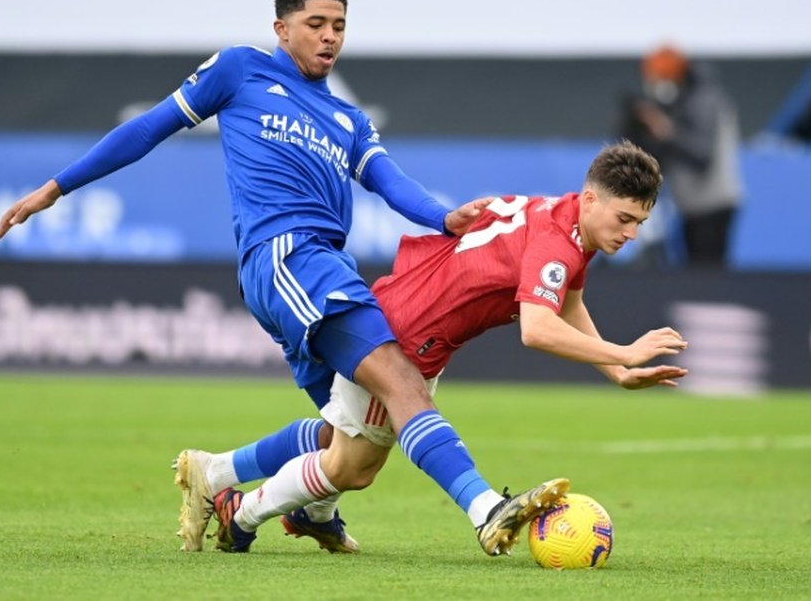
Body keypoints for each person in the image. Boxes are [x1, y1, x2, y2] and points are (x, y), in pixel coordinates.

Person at [0, 0, 569, 558]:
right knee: (403, 384)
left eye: (339, 27)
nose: (329, 38)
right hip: (286, 257)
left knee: (354, 447)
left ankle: (217, 478)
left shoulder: (349, 119)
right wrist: (57, 187)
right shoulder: (241, 69)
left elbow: (387, 180)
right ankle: (486, 510)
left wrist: (442, 217)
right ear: (282, 28)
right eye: (315, 24)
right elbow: (149, 127)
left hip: (322, 266)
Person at [178, 141, 688, 555]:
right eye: (624, 218)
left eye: (640, 222)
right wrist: (623, 351)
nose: (631, 233)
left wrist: (615, 372)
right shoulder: (558, 241)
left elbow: (568, 302)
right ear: (593, 198)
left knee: (337, 437)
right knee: (351, 467)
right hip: (404, 335)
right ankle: (240, 514)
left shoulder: (567, 221)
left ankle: (215, 472)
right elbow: (536, 327)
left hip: (406, 313)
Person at [619, 44, 744, 267]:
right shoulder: (690, 99)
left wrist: (665, 130)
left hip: (712, 203)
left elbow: (701, 155)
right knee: (696, 273)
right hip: (693, 205)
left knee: (708, 276)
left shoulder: (703, 101)